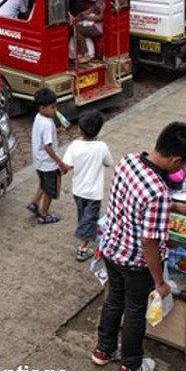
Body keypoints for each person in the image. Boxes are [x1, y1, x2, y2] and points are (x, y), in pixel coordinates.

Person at [92, 122, 186, 371]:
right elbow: (149, 243)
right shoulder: (158, 192)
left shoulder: (128, 161)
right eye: (184, 163)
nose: (183, 169)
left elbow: (133, 203)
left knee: (113, 301)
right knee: (134, 310)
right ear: (176, 159)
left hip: (111, 248)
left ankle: (103, 350)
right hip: (135, 262)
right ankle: (130, 366)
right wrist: (160, 282)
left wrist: (174, 207)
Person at [63, 110, 112, 261]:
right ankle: (82, 248)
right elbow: (109, 162)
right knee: (90, 218)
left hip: (78, 189)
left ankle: (84, 233)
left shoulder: (74, 145)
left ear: (80, 130)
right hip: (93, 193)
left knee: (83, 215)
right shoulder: (102, 147)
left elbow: (67, 165)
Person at [26, 87, 70, 225]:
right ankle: (44, 214)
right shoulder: (47, 123)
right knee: (50, 190)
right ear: (42, 107)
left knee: (43, 184)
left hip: (39, 162)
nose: (55, 110)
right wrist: (60, 163)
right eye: (52, 107)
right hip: (48, 164)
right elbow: (48, 146)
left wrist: (59, 131)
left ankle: (34, 203)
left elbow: (44, 139)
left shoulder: (39, 118)